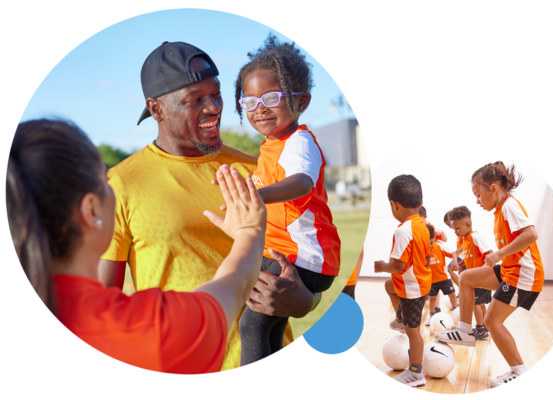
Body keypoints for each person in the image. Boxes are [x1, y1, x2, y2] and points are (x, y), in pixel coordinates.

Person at [97, 41, 319, 379]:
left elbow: (306, 267)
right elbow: (101, 307)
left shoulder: (261, 171)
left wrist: (302, 300)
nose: (215, 107)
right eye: (195, 100)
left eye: (216, 95)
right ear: (156, 109)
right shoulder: (121, 184)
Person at [6, 119, 274, 394]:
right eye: (105, 179)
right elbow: (236, 284)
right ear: (91, 210)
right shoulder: (152, 329)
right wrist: (249, 230)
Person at [233, 33, 341, 394]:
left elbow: (301, 182)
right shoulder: (272, 144)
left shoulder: (299, 142)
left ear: (301, 101)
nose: (259, 108)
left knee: (251, 328)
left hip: (303, 258)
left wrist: (256, 194)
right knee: (268, 330)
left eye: (272, 98)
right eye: (249, 100)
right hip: (288, 253)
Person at [435, 162, 545, 391]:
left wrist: (500, 254)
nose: (477, 201)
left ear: (493, 188)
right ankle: (464, 330)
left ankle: (520, 372)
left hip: (523, 276)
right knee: (466, 278)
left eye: (478, 194)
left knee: (492, 322)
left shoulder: (509, 206)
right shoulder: (500, 210)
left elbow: (531, 234)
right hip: (510, 270)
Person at [375, 175, 431, 391]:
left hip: (412, 289)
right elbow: (425, 258)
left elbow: (397, 266)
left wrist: (381, 266)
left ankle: (416, 372)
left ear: (394, 204)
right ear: (420, 202)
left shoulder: (403, 230)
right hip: (417, 283)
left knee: (413, 332)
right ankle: (400, 318)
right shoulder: (422, 226)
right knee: (389, 286)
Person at [448, 206, 494, 340]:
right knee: (478, 303)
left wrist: (482, 271)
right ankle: (483, 326)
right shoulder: (466, 240)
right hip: (476, 278)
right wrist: (462, 264)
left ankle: (481, 329)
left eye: (457, 228)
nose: (455, 232)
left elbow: (490, 254)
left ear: (468, 225)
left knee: (475, 303)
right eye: (454, 229)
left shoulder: (475, 237)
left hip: (481, 278)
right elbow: (472, 257)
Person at [424, 225, 458, 327]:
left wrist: (455, 262)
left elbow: (453, 253)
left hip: (444, 278)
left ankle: (456, 313)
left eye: (431, 242)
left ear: (434, 238)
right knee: (432, 298)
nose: (429, 245)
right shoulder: (422, 249)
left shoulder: (440, 246)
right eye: (427, 243)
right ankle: (431, 315)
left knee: (452, 295)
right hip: (431, 280)